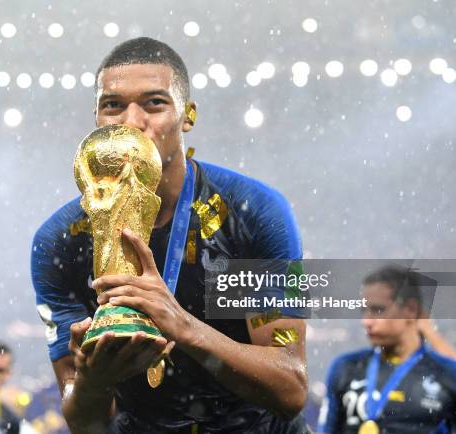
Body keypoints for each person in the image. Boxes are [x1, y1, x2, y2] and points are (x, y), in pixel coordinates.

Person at [31, 37, 309, 433]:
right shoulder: (60, 240)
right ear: (96, 118)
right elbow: (85, 423)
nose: (131, 121)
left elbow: (291, 386)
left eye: (154, 103)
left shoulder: (254, 213)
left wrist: (181, 324)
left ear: (187, 115)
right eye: (113, 106)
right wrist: (94, 381)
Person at [317, 265, 456, 433]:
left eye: (377, 310)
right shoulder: (346, 367)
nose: (366, 321)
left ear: (410, 310)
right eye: (364, 311)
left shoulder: (446, 374)